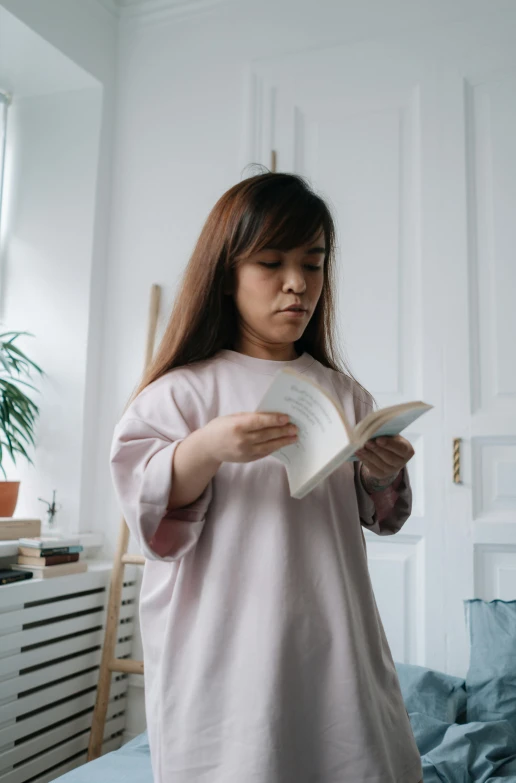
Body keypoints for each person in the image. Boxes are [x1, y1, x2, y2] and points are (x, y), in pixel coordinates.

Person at [110, 171, 423, 783]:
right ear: (227, 274)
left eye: (314, 263)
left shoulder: (341, 391)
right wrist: (204, 450)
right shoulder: (181, 392)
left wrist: (380, 476)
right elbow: (146, 513)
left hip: (334, 630)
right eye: (271, 263)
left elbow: (379, 516)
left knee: (348, 752)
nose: (297, 284)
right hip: (224, 646)